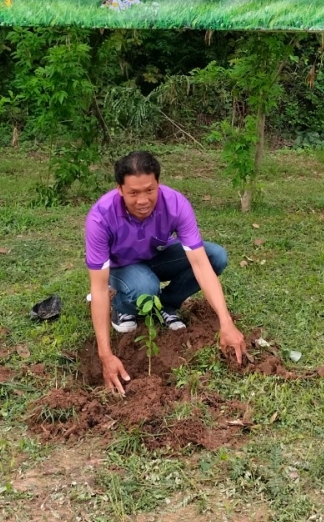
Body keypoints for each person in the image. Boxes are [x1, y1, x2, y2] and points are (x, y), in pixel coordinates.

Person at [85, 150, 246, 393]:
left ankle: (166, 305)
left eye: (149, 190)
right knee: (145, 287)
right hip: (121, 266)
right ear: (120, 189)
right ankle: (121, 306)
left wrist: (226, 322)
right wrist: (105, 355)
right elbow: (98, 288)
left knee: (215, 256)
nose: (143, 200)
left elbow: (200, 264)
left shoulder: (175, 204)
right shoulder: (101, 217)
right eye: (133, 193)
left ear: (158, 183)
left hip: (157, 255)